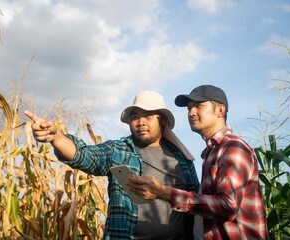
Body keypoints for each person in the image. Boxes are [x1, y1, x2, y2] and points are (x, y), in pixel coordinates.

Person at [24, 90, 199, 240]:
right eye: (135, 117)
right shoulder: (119, 150)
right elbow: (84, 156)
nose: (141, 122)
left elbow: (195, 205)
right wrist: (56, 137)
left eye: (148, 116)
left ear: (161, 121)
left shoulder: (182, 160)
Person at [127, 85, 268, 239]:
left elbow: (228, 206)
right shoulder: (210, 153)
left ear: (220, 110)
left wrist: (164, 192)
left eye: (198, 106)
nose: (191, 113)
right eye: (189, 108)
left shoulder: (233, 147)